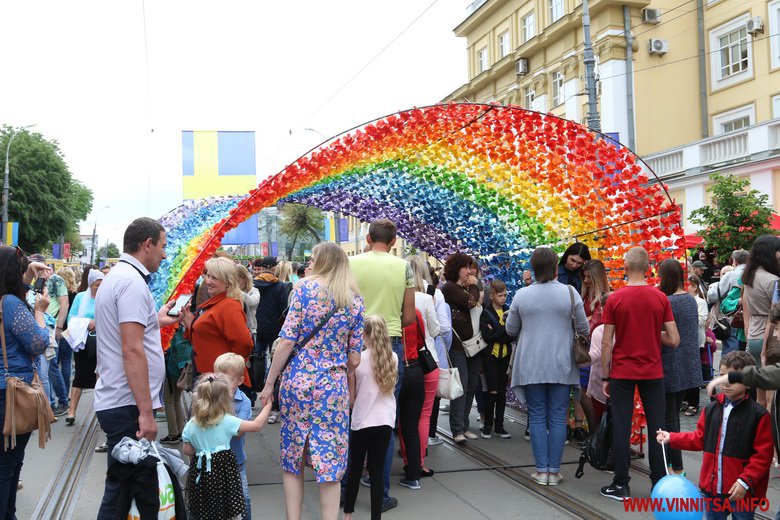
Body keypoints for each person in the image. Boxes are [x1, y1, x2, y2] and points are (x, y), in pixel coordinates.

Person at [260, 242, 364, 520]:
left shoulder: (303, 289)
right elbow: (355, 360)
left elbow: (286, 341)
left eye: (312, 258)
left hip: (298, 382)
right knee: (329, 462)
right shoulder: (353, 299)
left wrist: (269, 383)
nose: (309, 262)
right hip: (333, 387)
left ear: (321, 262)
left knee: (293, 459)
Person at [93, 217, 181, 519]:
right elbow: (132, 349)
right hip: (127, 404)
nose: (164, 254)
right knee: (122, 490)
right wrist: (145, 412)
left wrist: (155, 320)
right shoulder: (130, 283)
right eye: (163, 246)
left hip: (120, 399)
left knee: (128, 489)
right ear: (147, 244)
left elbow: (128, 332)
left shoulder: (119, 277)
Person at [600, 246, 680, 501]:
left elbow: (606, 342)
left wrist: (605, 376)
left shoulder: (615, 298)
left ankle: (621, 483)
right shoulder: (660, 299)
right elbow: (674, 339)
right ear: (648, 269)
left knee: (622, 426)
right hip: (652, 370)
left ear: (625, 267)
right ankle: (659, 482)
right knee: (658, 427)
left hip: (623, 371)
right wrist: (651, 333)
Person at [505, 246, 589, 486]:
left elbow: (511, 330)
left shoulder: (522, 295)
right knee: (558, 416)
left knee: (538, 416)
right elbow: (583, 329)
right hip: (562, 363)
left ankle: (541, 471)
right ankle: (554, 470)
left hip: (531, 364)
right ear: (555, 267)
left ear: (533, 268)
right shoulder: (570, 293)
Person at [349, 219, 415, 511]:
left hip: (356, 341)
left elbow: (344, 304)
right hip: (390, 343)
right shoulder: (403, 267)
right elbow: (410, 315)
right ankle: (382, 493)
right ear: (393, 241)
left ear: (367, 237)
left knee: (352, 411)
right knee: (385, 417)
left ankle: (344, 487)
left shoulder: (352, 264)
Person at [658, 351, 772, 519]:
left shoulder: (758, 415)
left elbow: (763, 456)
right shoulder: (711, 410)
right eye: (722, 376)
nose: (726, 382)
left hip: (741, 491)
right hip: (712, 490)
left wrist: (745, 481)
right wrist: (672, 437)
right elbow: (699, 438)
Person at [0, 246, 52, 519]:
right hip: (11, 392)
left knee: (8, 463)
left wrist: (32, 276)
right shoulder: (10, 303)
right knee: (8, 465)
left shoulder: (4, 301)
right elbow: (38, 343)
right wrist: (40, 313)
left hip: (5, 390)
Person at [182, 373, 272, 520]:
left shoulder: (191, 425)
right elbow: (256, 425)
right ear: (224, 401)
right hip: (224, 473)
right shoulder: (227, 421)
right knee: (227, 507)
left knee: (202, 507)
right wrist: (268, 406)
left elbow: (188, 450)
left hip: (201, 472)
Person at [343, 315, 398, 520]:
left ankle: (348, 514)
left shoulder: (358, 362)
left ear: (363, 335)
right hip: (384, 421)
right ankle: (376, 517)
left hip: (362, 421)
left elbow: (351, 400)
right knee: (377, 471)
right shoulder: (393, 358)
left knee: (355, 468)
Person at [657, 258, 704, 475]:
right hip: (688, 363)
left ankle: (676, 467)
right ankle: (676, 466)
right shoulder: (690, 300)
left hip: (670, 363)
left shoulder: (667, 301)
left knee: (669, 418)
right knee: (672, 414)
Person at [182, 257, 254, 381]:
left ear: (228, 282)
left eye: (214, 278)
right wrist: (190, 321)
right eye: (208, 276)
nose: (208, 281)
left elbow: (244, 344)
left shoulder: (229, 306)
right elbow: (208, 336)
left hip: (220, 381)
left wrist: (229, 371)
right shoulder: (217, 302)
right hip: (211, 376)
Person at [441, 253, 483, 445]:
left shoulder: (462, 288)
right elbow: (471, 302)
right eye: (466, 267)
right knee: (461, 385)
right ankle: (457, 428)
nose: (469, 271)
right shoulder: (450, 288)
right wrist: (474, 286)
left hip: (473, 344)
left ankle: (464, 425)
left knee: (471, 385)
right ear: (457, 269)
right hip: (458, 346)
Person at [406, 258, 440, 476]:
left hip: (404, 359)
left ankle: (406, 455)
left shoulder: (397, 298)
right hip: (427, 361)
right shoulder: (427, 299)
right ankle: (418, 461)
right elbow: (436, 330)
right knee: (424, 415)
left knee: (404, 416)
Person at [214, 352, 255, 520]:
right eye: (218, 379)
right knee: (215, 500)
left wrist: (224, 407)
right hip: (213, 460)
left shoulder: (243, 401)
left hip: (235, 460)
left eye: (227, 380)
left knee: (243, 498)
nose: (221, 385)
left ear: (240, 381)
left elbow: (238, 432)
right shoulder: (209, 398)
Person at [29, 253, 70, 416]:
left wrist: (59, 327)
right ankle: (54, 402)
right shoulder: (30, 281)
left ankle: (57, 403)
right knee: (49, 367)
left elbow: (64, 304)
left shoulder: (55, 280)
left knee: (49, 367)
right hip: (37, 326)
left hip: (49, 326)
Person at [742, 235, 780, 409]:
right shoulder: (773, 280)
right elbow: (775, 314)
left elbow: (746, 309)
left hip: (754, 335)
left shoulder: (749, 277)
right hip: (770, 336)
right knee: (772, 396)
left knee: (760, 395)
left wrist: (749, 333)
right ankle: (771, 433)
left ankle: (760, 432)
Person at [252, 255, 292, 416]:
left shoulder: (254, 285)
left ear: (262, 268)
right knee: (275, 363)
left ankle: (255, 389)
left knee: (257, 359)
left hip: (258, 328)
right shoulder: (281, 287)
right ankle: (273, 404)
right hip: (275, 329)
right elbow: (284, 310)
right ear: (274, 268)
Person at [65, 269, 104, 426]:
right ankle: (72, 411)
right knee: (80, 376)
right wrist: (87, 323)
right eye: (96, 285)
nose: (99, 288)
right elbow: (71, 318)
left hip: (101, 343)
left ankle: (101, 412)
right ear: (90, 284)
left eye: (102, 285)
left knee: (100, 377)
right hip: (83, 342)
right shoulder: (81, 298)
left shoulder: (105, 297)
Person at [479, 279, 514, 439]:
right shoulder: (485, 313)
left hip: (505, 356)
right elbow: (487, 336)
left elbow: (511, 334)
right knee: (491, 391)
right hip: (491, 357)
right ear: (492, 296)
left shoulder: (509, 311)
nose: (503, 298)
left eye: (505, 295)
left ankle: (499, 426)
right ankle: (488, 425)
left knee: (501, 392)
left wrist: (497, 332)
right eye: (500, 295)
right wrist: (503, 331)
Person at [707, 250, 749, 356]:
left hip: (733, 317)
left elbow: (713, 296)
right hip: (753, 322)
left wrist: (714, 286)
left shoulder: (732, 275)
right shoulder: (754, 273)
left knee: (731, 350)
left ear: (735, 261)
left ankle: (728, 370)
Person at [682, 273, 711, 417]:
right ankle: (686, 399)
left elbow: (700, 321)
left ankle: (694, 402)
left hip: (695, 341)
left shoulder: (700, 302)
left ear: (694, 287)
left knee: (693, 371)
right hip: (682, 341)